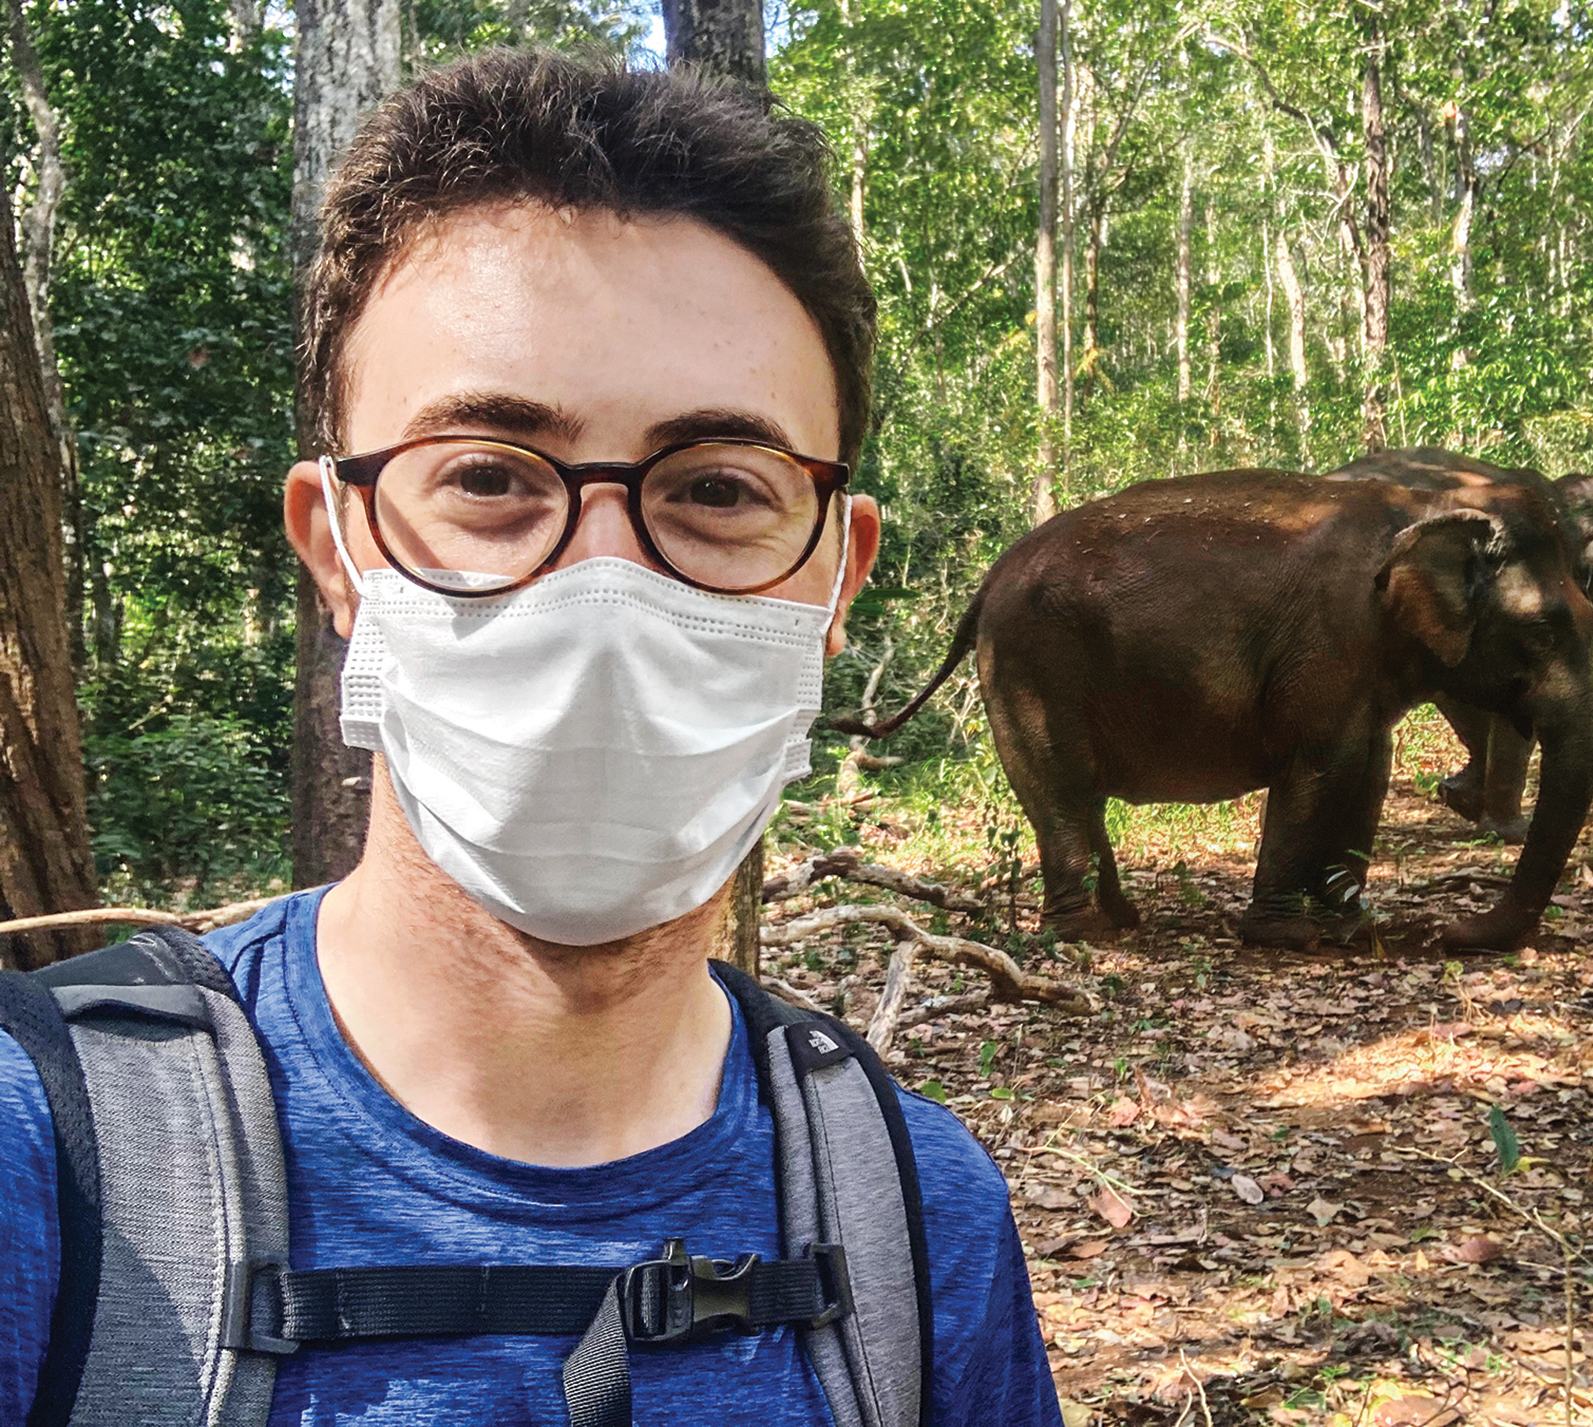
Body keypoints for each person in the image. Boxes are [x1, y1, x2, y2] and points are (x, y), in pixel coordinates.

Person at [0, 49, 1062, 1423]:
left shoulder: (919, 1213)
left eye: (720, 488)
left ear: (836, 578)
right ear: (339, 551)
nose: (602, 588)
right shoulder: (43, 1162)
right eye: (489, 477)